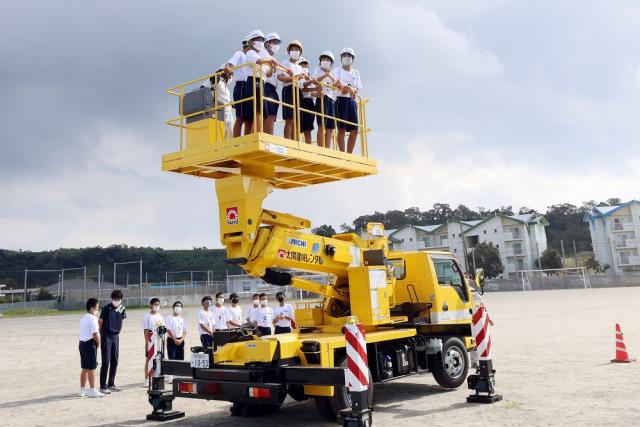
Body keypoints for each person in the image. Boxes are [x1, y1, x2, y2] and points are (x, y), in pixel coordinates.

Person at [242, 30, 278, 134]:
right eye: (258, 39)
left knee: (262, 111)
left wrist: (271, 66)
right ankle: (256, 135)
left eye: (262, 39)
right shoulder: (250, 52)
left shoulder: (262, 56)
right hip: (253, 80)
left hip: (261, 82)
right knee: (258, 110)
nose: (260, 42)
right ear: (252, 42)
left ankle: (258, 133)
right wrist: (270, 61)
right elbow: (258, 61)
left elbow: (269, 74)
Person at [334, 47, 362, 153]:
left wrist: (349, 89)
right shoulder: (337, 70)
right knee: (341, 128)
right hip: (340, 101)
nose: (347, 58)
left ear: (353, 58)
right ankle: (342, 153)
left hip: (352, 102)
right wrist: (348, 88)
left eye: (349, 56)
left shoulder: (356, 73)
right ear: (341, 58)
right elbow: (338, 85)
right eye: (344, 55)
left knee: (354, 130)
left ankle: (349, 154)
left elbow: (357, 89)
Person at [98, 289, 126, 394]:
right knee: (106, 361)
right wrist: (102, 334)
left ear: (121, 299)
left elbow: (122, 321)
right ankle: (102, 386)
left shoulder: (122, 308)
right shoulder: (106, 308)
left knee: (115, 360)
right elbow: (100, 321)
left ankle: (111, 383)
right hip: (106, 335)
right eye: (114, 299)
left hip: (115, 336)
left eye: (118, 299)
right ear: (111, 299)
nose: (116, 300)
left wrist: (118, 332)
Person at [224, 36, 250, 137]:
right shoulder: (240, 54)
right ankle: (236, 141)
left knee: (249, 117)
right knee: (241, 116)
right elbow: (231, 63)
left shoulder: (251, 56)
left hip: (249, 86)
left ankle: (247, 141)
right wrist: (227, 67)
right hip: (241, 86)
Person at [312, 51, 338, 148]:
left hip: (331, 99)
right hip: (322, 98)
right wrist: (325, 75)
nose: (325, 61)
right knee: (322, 125)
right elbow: (314, 80)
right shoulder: (317, 69)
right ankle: (320, 147)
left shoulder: (333, 72)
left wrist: (331, 76)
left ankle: (327, 149)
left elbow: (336, 83)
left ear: (331, 62)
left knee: (330, 127)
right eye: (323, 59)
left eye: (327, 60)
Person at [79, 298, 104, 398]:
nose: (98, 310)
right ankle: (93, 390)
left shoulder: (83, 318)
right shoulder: (93, 318)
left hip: (81, 344)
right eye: (97, 307)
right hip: (89, 344)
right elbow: (95, 333)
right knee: (92, 368)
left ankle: (82, 390)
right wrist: (99, 343)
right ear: (92, 308)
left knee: (84, 368)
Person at [280, 40, 304, 139]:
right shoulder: (284, 62)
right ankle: (288, 141)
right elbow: (280, 77)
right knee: (290, 118)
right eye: (293, 49)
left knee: (297, 119)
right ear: (289, 51)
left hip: (298, 90)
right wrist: (293, 78)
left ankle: (296, 141)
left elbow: (302, 83)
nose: (295, 51)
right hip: (288, 89)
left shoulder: (300, 67)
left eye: (297, 50)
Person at [262, 32, 285, 135]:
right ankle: (267, 136)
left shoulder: (274, 60)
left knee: (272, 114)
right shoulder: (263, 53)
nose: (276, 45)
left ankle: (268, 135)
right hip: (265, 85)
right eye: (274, 42)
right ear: (267, 43)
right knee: (268, 114)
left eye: (277, 43)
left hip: (272, 88)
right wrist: (287, 69)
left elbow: (280, 76)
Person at [143, 298, 164, 387]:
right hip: (151, 340)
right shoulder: (147, 316)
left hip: (159, 340)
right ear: (151, 305)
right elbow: (145, 330)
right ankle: (147, 379)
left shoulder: (160, 316)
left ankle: (156, 374)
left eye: (158, 304)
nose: (157, 306)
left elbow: (163, 328)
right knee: (149, 360)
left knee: (158, 359)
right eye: (155, 304)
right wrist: (147, 341)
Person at [298, 57, 318, 144]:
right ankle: (296, 145)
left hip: (310, 102)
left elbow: (311, 92)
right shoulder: (299, 76)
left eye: (305, 64)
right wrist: (315, 88)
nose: (304, 65)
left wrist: (319, 93)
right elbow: (302, 89)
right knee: (299, 126)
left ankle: (308, 147)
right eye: (302, 64)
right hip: (301, 101)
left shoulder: (310, 78)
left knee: (308, 128)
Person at [215, 65, 235, 140]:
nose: (231, 77)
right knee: (222, 136)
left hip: (229, 112)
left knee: (231, 134)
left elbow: (225, 98)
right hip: (221, 112)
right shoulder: (217, 82)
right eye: (230, 74)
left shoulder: (224, 86)